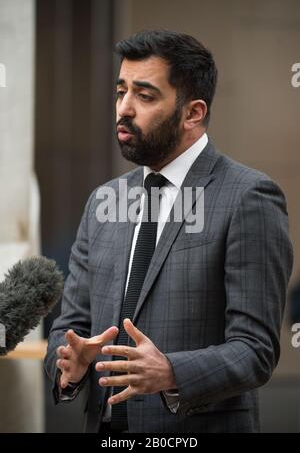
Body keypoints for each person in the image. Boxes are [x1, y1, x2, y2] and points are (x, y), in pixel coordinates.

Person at [44, 30, 293, 433]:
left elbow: (255, 351)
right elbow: (67, 330)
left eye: (145, 96)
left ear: (193, 113)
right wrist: (69, 364)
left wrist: (171, 371)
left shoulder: (248, 197)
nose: (123, 108)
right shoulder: (102, 201)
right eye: (120, 91)